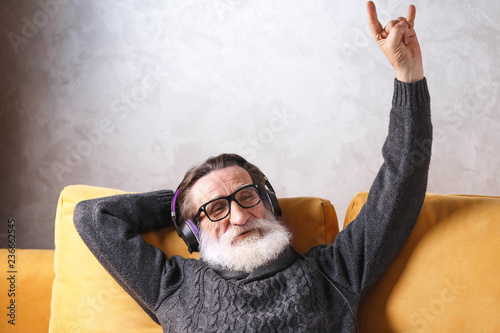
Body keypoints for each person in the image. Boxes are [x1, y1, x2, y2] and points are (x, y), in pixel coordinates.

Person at [74, 2, 432, 332]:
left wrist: (408, 75)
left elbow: (403, 176)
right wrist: (178, 203)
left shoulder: (334, 271)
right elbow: (94, 217)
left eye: (246, 196)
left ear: (270, 204)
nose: (240, 216)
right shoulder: (173, 287)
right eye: (215, 209)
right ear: (192, 233)